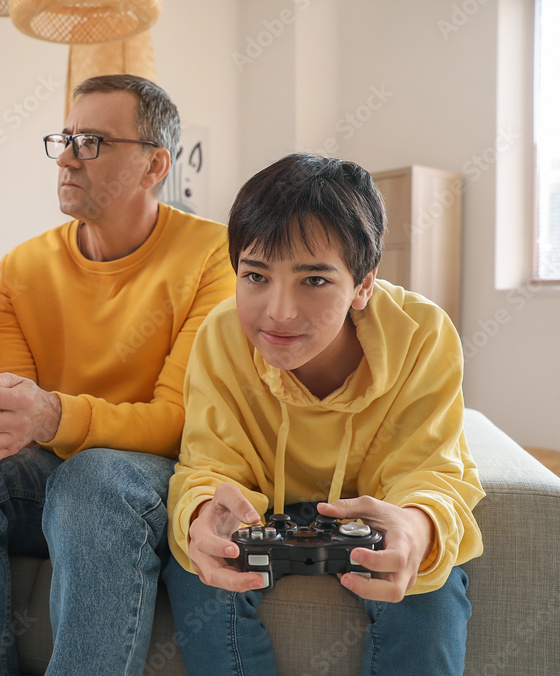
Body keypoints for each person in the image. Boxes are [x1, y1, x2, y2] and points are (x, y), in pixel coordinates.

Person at [0, 74, 236, 675]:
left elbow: (180, 422)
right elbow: (9, 407)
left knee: (93, 477)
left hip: (149, 476)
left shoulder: (216, 255)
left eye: (94, 142)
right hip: (58, 467)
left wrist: (52, 414)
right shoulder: (25, 265)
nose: (67, 157)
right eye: (65, 138)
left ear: (154, 164)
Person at [164, 153, 485, 675]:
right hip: (263, 516)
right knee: (196, 575)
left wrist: (417, 526)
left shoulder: (424, 335)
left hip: (376, 515)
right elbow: (209, 462)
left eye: (313, 280)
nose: (279, 311)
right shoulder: (219, 335)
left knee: (431, 588)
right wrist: (203, 512)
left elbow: (431, 467)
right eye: (255, 276)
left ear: (363, 286)